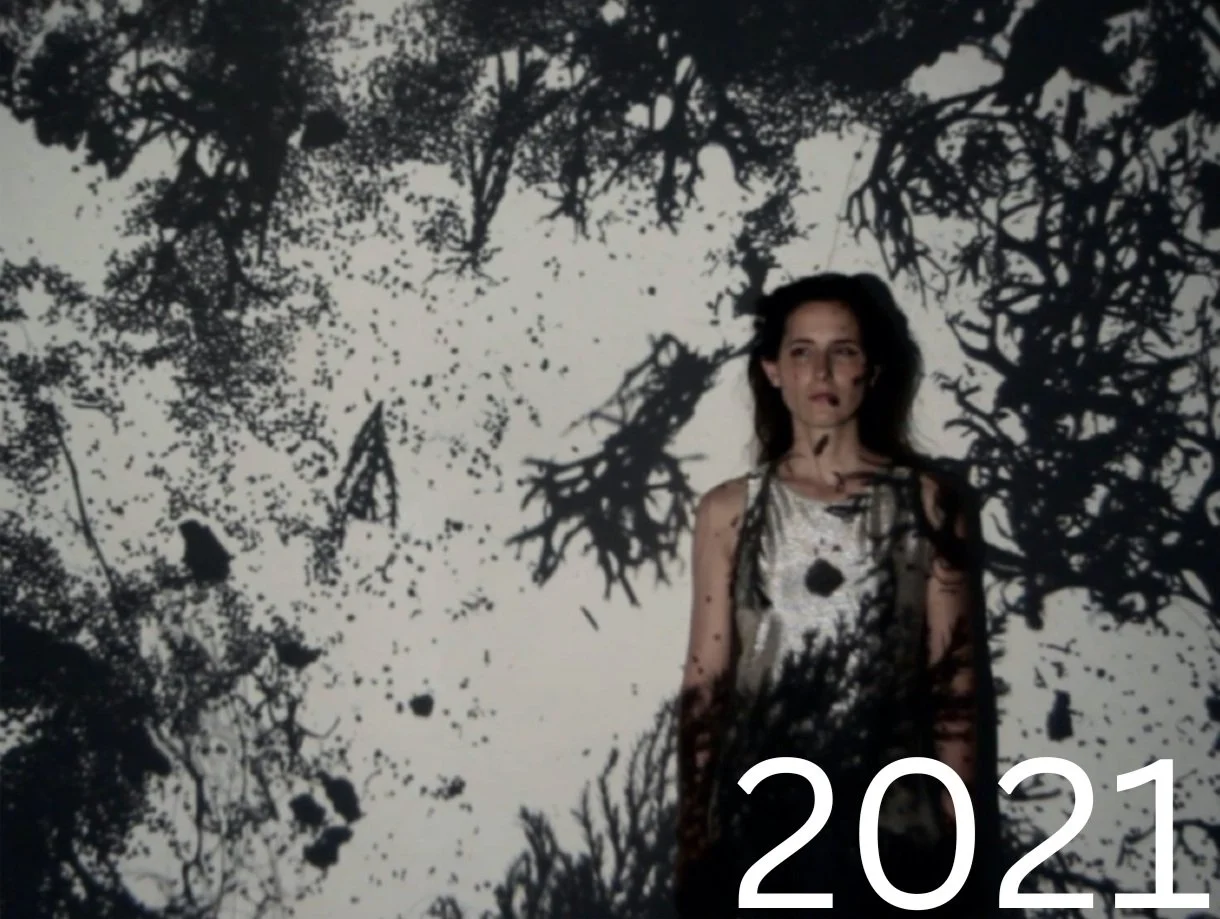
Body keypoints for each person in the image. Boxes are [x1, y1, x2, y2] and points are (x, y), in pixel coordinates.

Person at [675, 272, 981, 916]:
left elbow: (954, 676)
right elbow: (707, 678)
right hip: (765, 816)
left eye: (842, 351)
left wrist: (958, 827)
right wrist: (695, 830)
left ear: (871, 369)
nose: (821, 371)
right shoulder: (729, 511)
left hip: (894, 819)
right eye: (801, 351)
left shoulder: (929, 504)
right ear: (773, 370)